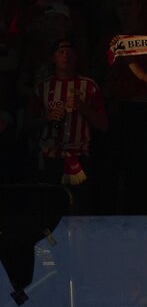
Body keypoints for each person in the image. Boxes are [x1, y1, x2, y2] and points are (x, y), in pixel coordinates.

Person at [28, 39, 107, 211]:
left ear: (76, 57)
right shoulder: (42, 88)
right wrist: (47, 118)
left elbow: (103, 125)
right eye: (61, 52)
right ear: (52, 58)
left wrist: (84, 109)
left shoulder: (89, 86)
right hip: (50, 158)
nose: (66, 55)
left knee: (79, 211)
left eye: (70, 51)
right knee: (50, 210)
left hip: (79, 158)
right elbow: (27, 125)